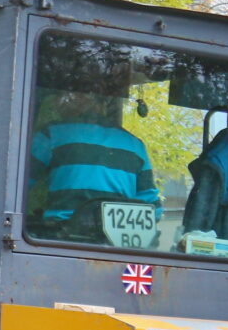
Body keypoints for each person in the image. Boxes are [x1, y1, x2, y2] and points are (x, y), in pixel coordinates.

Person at [28, 92, 158, 236]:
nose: (57, 103)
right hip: (119, 243)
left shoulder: (52, 134)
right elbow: (153, 208)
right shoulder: (135, 145)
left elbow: (18, 186)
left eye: (64, 96)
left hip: (62, 237)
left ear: (84, 99)